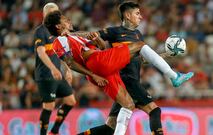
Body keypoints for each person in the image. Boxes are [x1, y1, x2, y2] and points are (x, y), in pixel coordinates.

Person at [77, 2, 194, 135]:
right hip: (127, 80)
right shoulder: (115, 32)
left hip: (124, 84)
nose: (141, 17)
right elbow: (90, 35)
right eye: (137, 13)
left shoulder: (138, 34)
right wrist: (71, 34)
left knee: (110, 127)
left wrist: (166, 54)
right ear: (127, 15)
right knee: (154, 111)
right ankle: (174, 76)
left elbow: (143, 59)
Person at [34, 3, 107, 135]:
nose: (54, 15)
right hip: (46, 74)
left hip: (58, 73)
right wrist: (52, 68)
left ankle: (54, 131)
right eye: (51, 13)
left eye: (56, 12)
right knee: (49, 106)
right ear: (44, 15)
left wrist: (67, 69)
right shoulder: (40, 31)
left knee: (70, 101)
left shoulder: (61, 32)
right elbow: (41, 52)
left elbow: (63, 53)